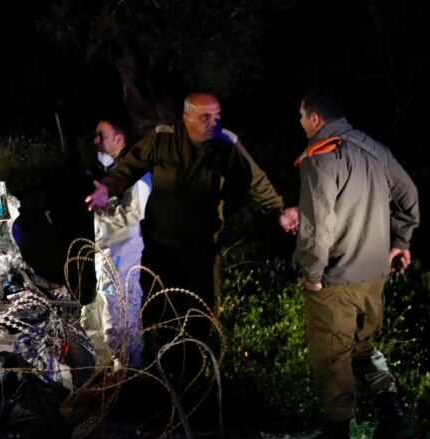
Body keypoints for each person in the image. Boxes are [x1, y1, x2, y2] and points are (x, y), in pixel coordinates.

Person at [85, 92, 299, 389]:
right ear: (186, 119)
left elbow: (254, 179)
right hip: (161, 248)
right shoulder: (162, 140)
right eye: (205, 117)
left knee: (198, 316)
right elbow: (130, 165)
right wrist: (107, 188)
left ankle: (193, 385)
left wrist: (278, 208)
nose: (214, 122)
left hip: (201, 250)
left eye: (217, 115)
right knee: (159, 316)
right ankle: (159, 383)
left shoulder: (226, 145)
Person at [289, 88, 420, 439]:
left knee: (331, 354)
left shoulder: (320, 156)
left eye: (301, 116)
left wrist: (312, 272)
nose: (300, 123)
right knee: (363, 349)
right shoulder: (374, 149)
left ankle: (335, 437)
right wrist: (401, 241)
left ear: (315, 119)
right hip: (375, 272)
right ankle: (393, 417)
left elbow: (318, 221)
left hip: (337, 277)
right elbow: (409, 193)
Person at [81, 118, 151, 370]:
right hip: (106, 250)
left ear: (119, 139)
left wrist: (105, 208)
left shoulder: (135, 171)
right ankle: (105, 371)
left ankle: (127, 373)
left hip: (122, 251)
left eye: (102, 135)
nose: (96, 140)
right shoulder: (107, 170)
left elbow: (135, 212)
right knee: (97, 314)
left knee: (119, 314)